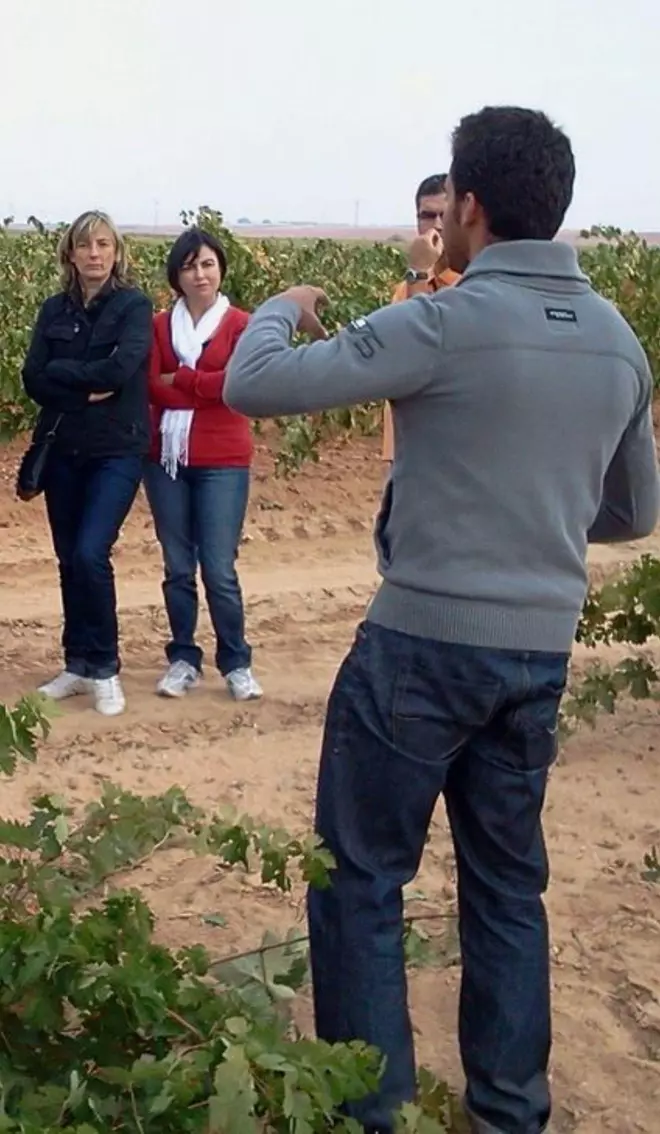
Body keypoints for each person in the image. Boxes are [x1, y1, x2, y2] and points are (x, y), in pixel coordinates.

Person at [223, 105, 660, 1134]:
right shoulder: (617, 341)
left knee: (364, 879)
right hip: (536, 658)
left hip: (418, 650)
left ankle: (370, 1110)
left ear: (468, 208)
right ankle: (510, 1112)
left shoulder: (443, 319)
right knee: (508, 890)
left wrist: (282, 306)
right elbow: (634, 513)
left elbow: (253, 382)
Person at [22, 210, 152, 717]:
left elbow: (121, 370)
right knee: (67, 557)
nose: (94, 253)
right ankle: (76, 663)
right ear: (70, 254)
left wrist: (62, 374)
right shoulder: (54, 310)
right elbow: (34, 377)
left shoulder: (133, 306)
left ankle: (105, 667)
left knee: (91, 553)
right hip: (63, 450)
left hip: (117, 449)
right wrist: (81, 387)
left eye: (103, 244)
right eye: (84, 245)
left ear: (116, 252)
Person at [143, 227, 261, 702]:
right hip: (165, 459)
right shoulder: (156, 326)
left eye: (208, 264)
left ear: (221, 270)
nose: (200, 274)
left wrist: (186, 379)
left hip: (223, 459)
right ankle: (183, 659)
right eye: (190, 265)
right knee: (176, 565)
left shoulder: (241, 324)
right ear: (177, 275)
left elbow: (237, 386)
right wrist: (206, 384)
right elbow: (152, 386)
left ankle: (236, 661)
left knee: (218, 567)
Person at [382, 173, 461, 465]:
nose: (436, 226)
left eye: (444, 214)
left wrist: (418, 273)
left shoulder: (473, 287)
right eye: (427, 216)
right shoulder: (405, 289)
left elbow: (423, 351)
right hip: (403, 452)